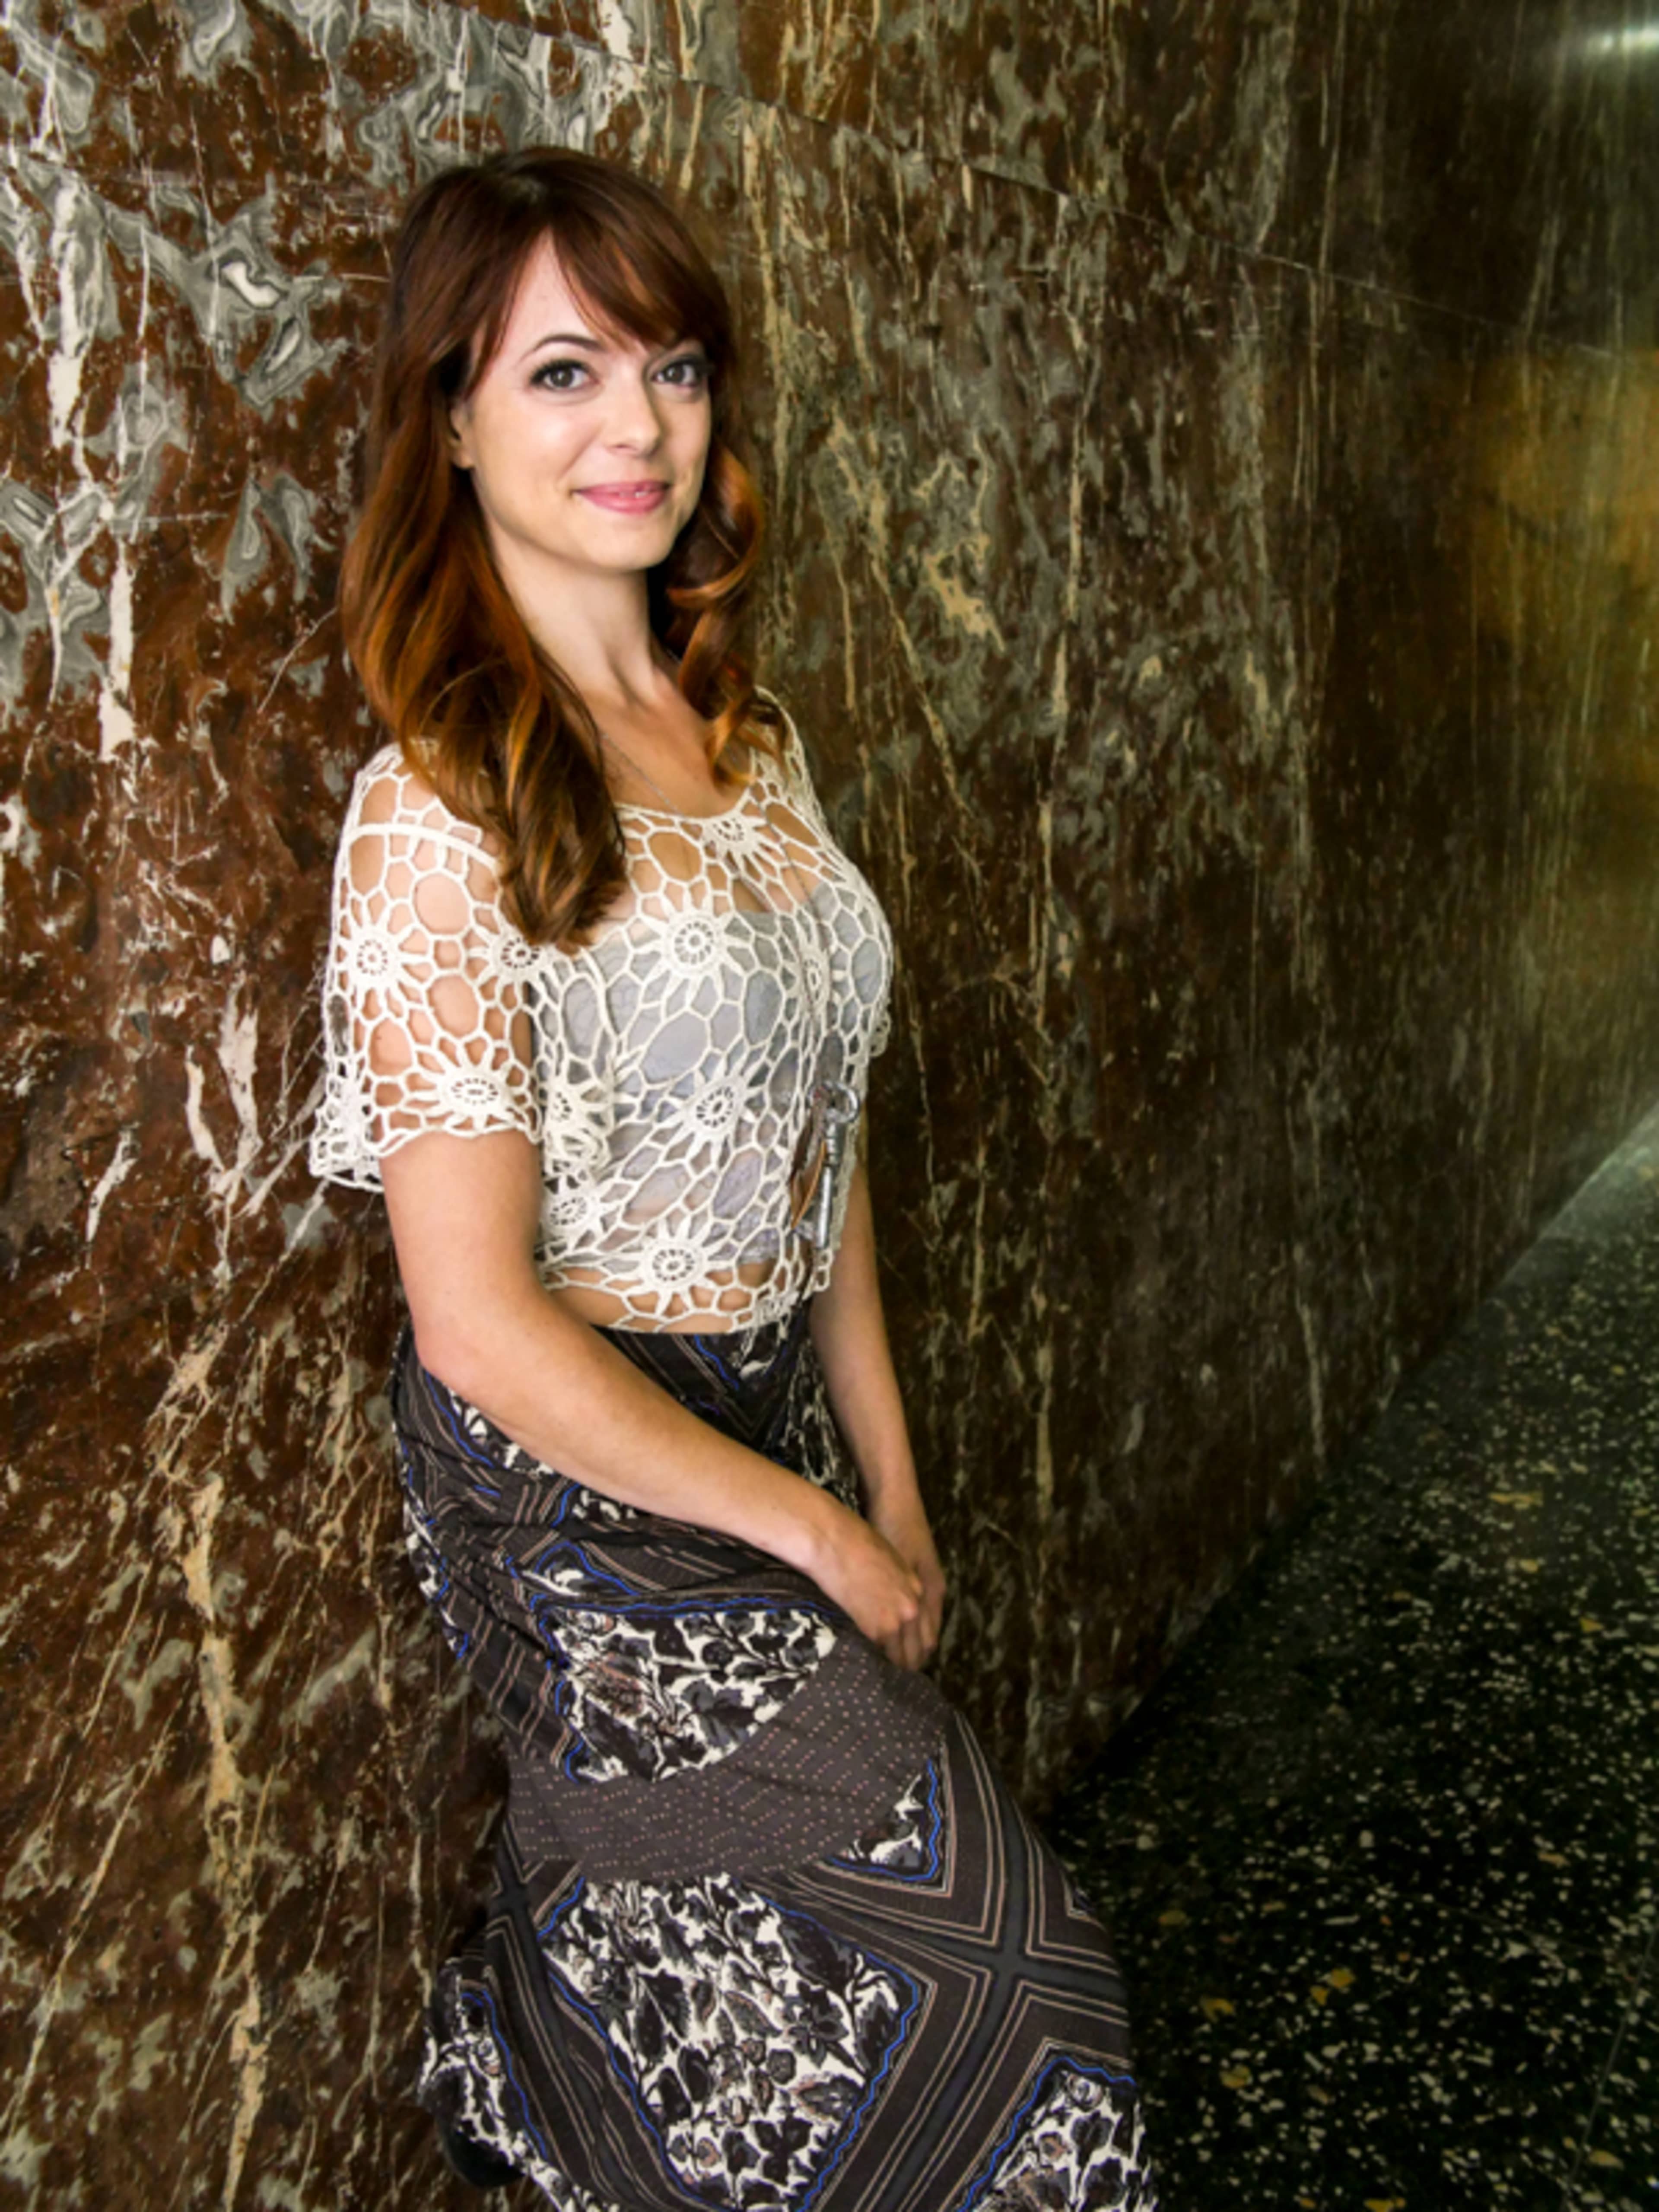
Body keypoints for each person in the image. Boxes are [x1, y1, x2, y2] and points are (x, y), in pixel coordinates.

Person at [309, 144, 1158, 2209]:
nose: (638, 428)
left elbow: (816, 1134)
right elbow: (475, 1318)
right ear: (449, 416)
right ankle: (538, 2043)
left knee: (783, 1946)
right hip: (567, 1483)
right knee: (1022, 1987)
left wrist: (889, 1473)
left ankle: (553, 2075)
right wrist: (807, 1532)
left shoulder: (744, 742)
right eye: (565, 373)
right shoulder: (432, 812)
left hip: (773, 1411)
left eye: (674, 368)